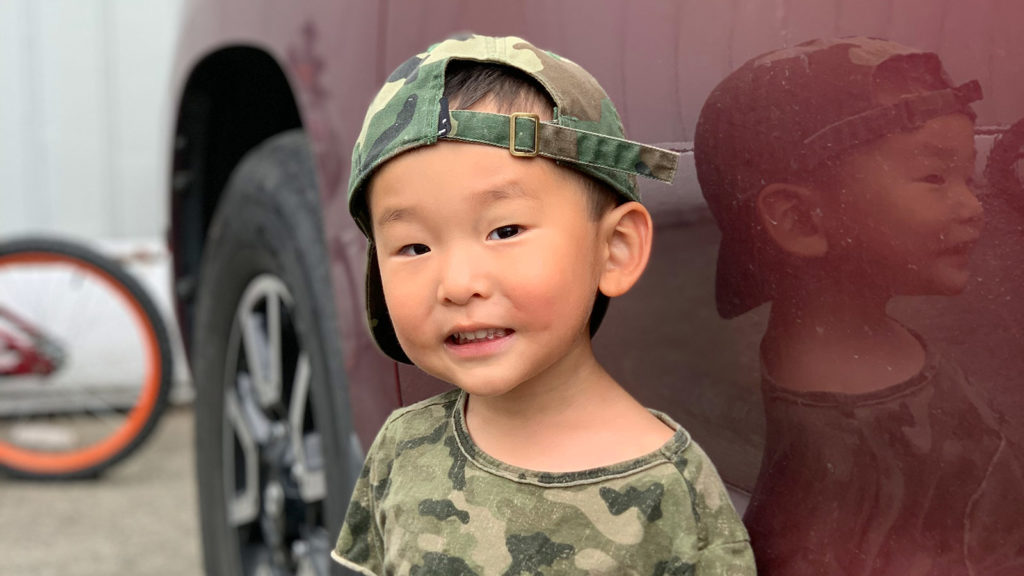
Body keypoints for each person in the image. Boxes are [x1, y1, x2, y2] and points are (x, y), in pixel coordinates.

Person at [332, 34, 755, 575]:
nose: (458, 285)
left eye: (504, 230)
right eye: (414, 247)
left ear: (615, 248)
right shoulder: (403, 448)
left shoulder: (669, 493)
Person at [694, 37, 1024, 575]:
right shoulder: (841, 455)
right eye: (935, 178)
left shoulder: (857, 352)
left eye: (967, 176)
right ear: (801, 220)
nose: (973, 207)